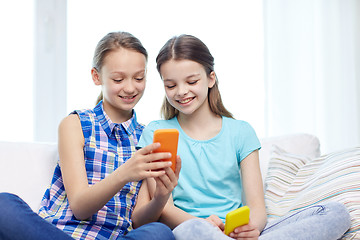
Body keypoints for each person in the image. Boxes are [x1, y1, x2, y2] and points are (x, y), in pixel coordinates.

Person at [135, 34, 351, 240]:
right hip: (190, 229)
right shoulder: (156, 132)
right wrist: (204, 224)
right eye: (171, 85)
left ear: (211, 79)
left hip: (234, 231)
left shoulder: (241, 132)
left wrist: (250, 228)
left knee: (334, 212)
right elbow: (165, 207)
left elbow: (257, 210)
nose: (181, 91)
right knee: (194, 230)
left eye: (191, 82)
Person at [0, 31, 177, 240]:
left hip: (113, 237)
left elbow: (139, 222)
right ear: (96, 76)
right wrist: (126, 173)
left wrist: (161, 196)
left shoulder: (146, 136)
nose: (130, 88)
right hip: (60, 234)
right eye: (118, 79)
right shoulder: (75, 124)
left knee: (159, 233)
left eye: (139, 78)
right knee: (4, 205)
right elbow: (80, 207)